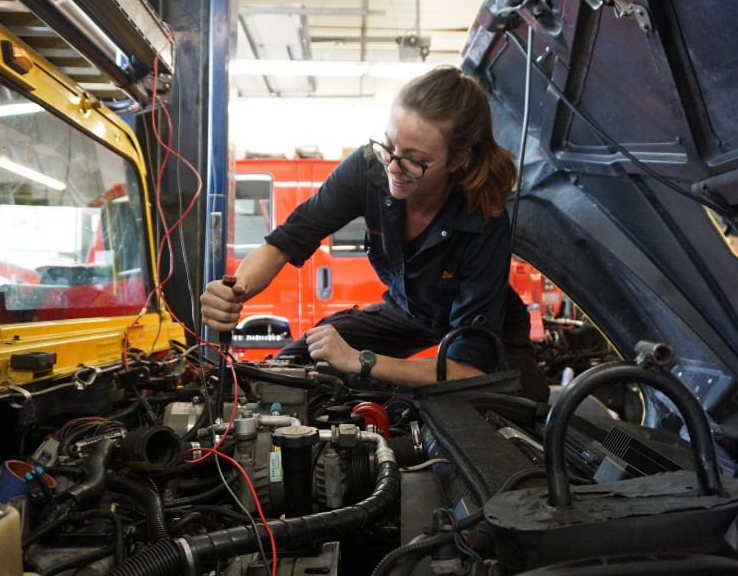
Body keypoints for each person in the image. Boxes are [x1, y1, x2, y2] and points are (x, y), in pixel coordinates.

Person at [201, 65, 549, 403]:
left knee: (517, 412)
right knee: (290, 369)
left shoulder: (484, 219)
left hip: (482, 326)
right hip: (406, 312)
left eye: (415, 159)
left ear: (458, 160)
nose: (393, 168)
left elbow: (470, 369)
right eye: (388, 145)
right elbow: (284, 242)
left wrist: (362, 361)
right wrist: (237, 291)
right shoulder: (369, 168)